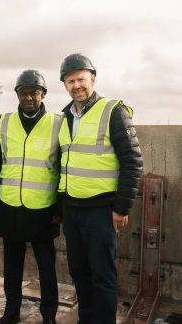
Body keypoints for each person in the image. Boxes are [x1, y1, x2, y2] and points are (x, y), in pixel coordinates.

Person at [58, 53, 143, 323]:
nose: (76, 85)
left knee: (103, 276)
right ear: (64, 85)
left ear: (92, 79)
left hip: (101, 211)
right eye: (70, 81)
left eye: (81, 79)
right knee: (79, 273)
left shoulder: (113, 110)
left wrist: (121, 208)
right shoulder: (65, 117)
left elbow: (133, 162)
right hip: (72, 210)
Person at [0, 70, 61, 324]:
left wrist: (59, 210)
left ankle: (49, 315)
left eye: (34, 92)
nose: (29, 97)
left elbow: (63, 167)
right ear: (17, 95)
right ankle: (11, 312)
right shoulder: (5, 122)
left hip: (43, 208)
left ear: (43, 95)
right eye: (24, 93)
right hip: (10, 206)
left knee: (47, 268)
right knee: (11, 267)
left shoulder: (57, 123)